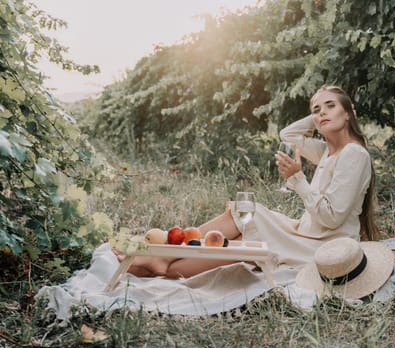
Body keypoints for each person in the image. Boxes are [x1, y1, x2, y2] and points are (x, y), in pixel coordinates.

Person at [113, 85, 380, 279]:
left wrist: (297, 178)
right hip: (306, 232)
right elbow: (288, 135)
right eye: (316, 110)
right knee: (242, 229)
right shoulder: (327, 151)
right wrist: (321, 115)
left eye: (331, 106)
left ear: (348, 114)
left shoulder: (354, 155)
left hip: (323, 244)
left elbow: (332, 217)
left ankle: (160, 259)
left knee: (247, 225)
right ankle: (160, 266)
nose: (322, 112)